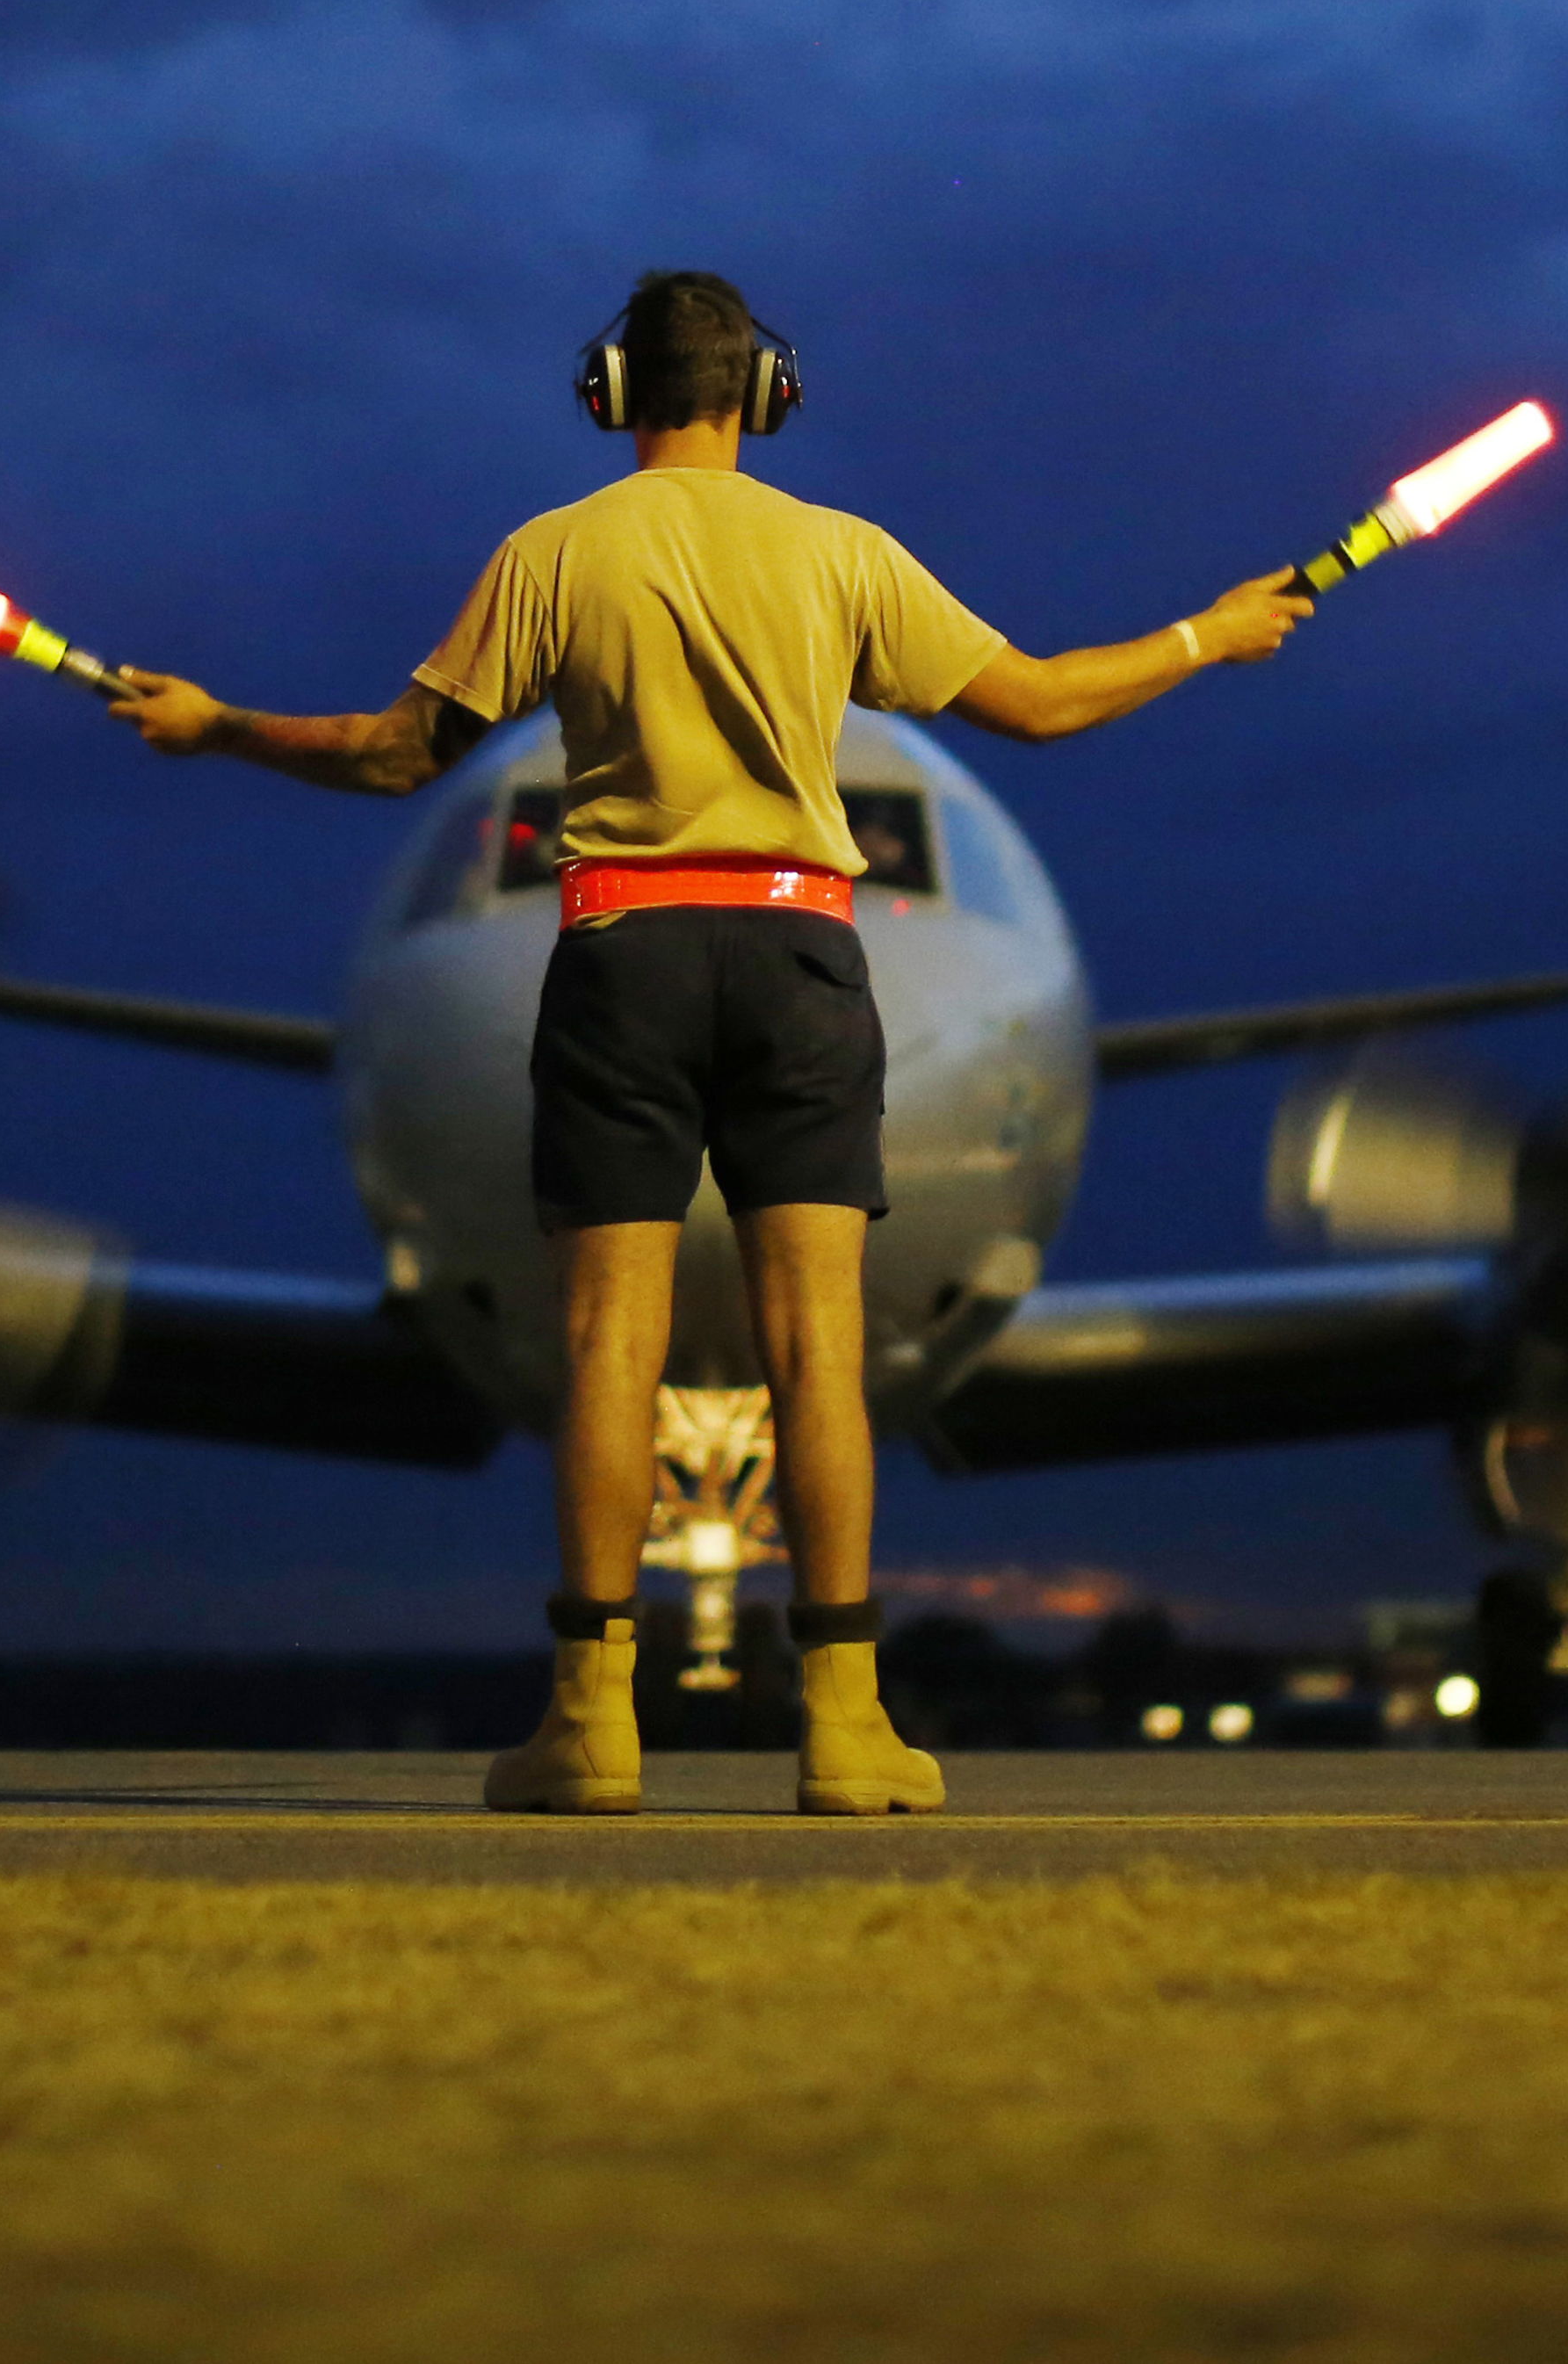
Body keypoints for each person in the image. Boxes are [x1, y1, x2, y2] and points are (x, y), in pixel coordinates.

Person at [105, 271, 1306, 1814]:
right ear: (768, 393)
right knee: (822, 1346)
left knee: (612, 1339)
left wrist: (220, 727)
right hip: (806, 949)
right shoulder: (843, 555)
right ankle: (849, 1725)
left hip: (618, 947)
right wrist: (1211, 633)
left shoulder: (553, 553)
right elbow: (1045, 703)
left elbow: (396, 754)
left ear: (612, 391)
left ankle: (592, 1725)